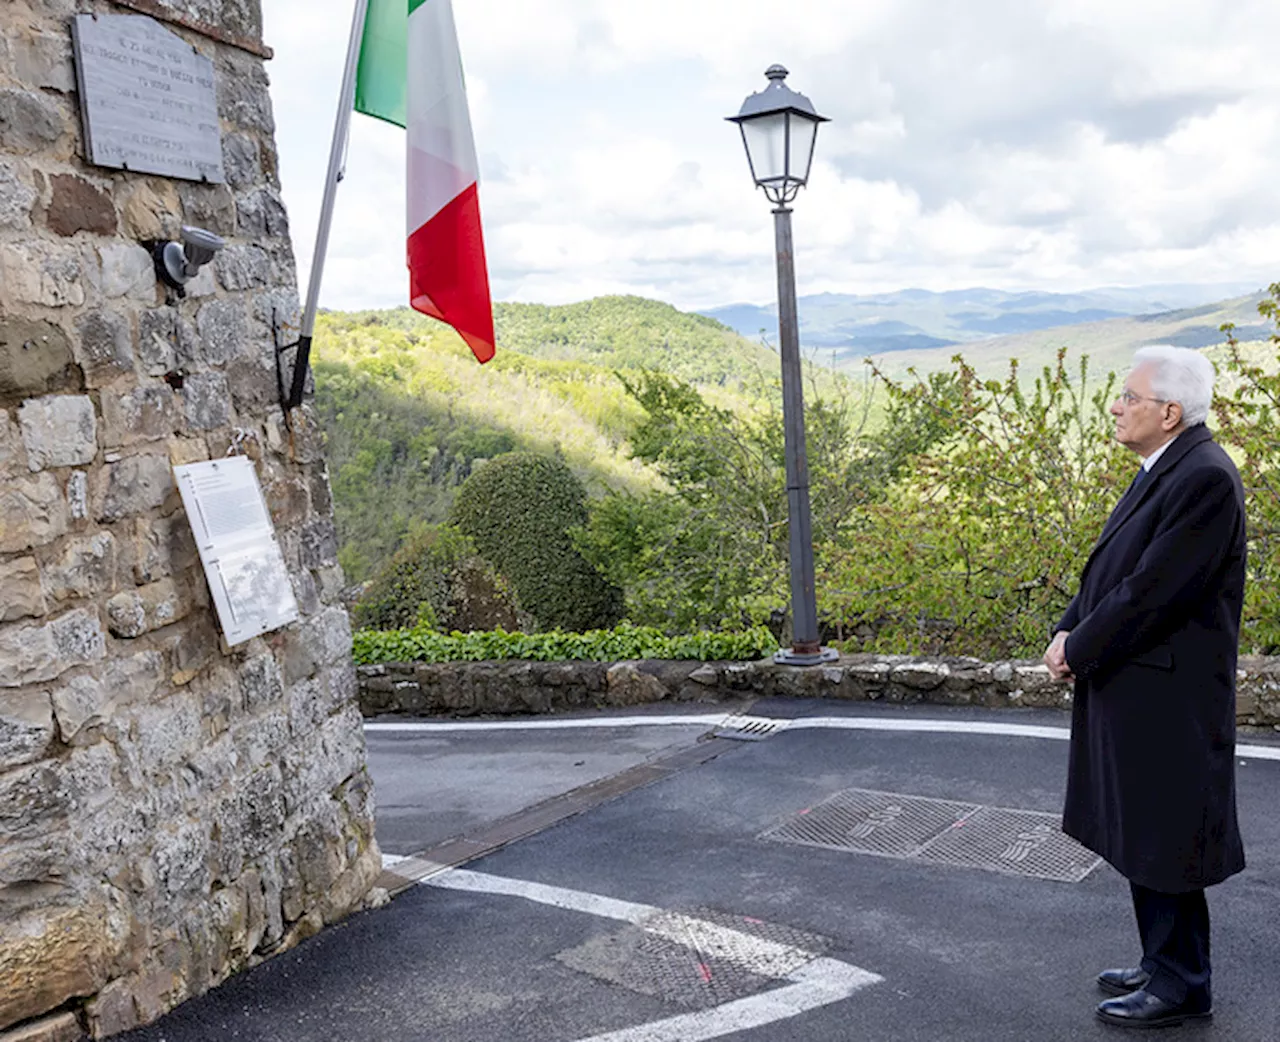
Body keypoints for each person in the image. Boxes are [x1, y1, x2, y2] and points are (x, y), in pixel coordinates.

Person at [1043, 344, 1247, 1029]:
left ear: (1169, 410)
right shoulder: (1166, 467)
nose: (1116, 406)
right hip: (1138, 687)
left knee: (1166, 836)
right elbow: (1108, 569)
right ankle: (1162, 960)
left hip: (1171, 698)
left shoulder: (1205, 479)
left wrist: (1082, 646)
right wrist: (1069, 629)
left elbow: (1151, 594)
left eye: (1128, 397)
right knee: (1144, 832)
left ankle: (1183, 982)